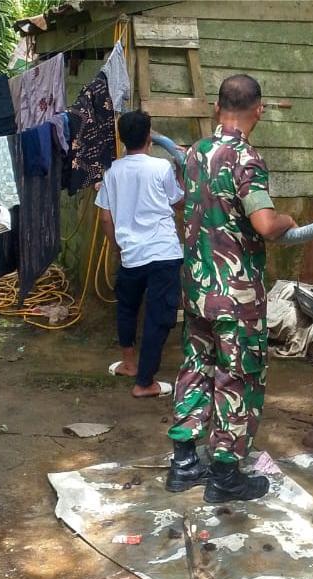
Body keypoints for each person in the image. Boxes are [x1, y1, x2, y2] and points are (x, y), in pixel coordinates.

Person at [165, 74, 297, 503]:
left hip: (198, 288)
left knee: (196, 367)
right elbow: (263, 223)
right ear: (258, 109)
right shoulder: (246, 158)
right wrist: (286, 222)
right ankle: (225, 474)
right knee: (238, 376)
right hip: (235, 295)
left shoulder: (195, 153)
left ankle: (184, 463)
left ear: (216, 106)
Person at [97, 110, 184, 399]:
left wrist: (118, 247)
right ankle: (145, 383)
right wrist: (181, 169)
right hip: (163, 252)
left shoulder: (112, 173)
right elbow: (179, 201)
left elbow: (106, 219)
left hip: (130, 254)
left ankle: (130, 365)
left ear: (121, 139)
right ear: (149, 137)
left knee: (127, 308)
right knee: (158, 316)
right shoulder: (161, 167)